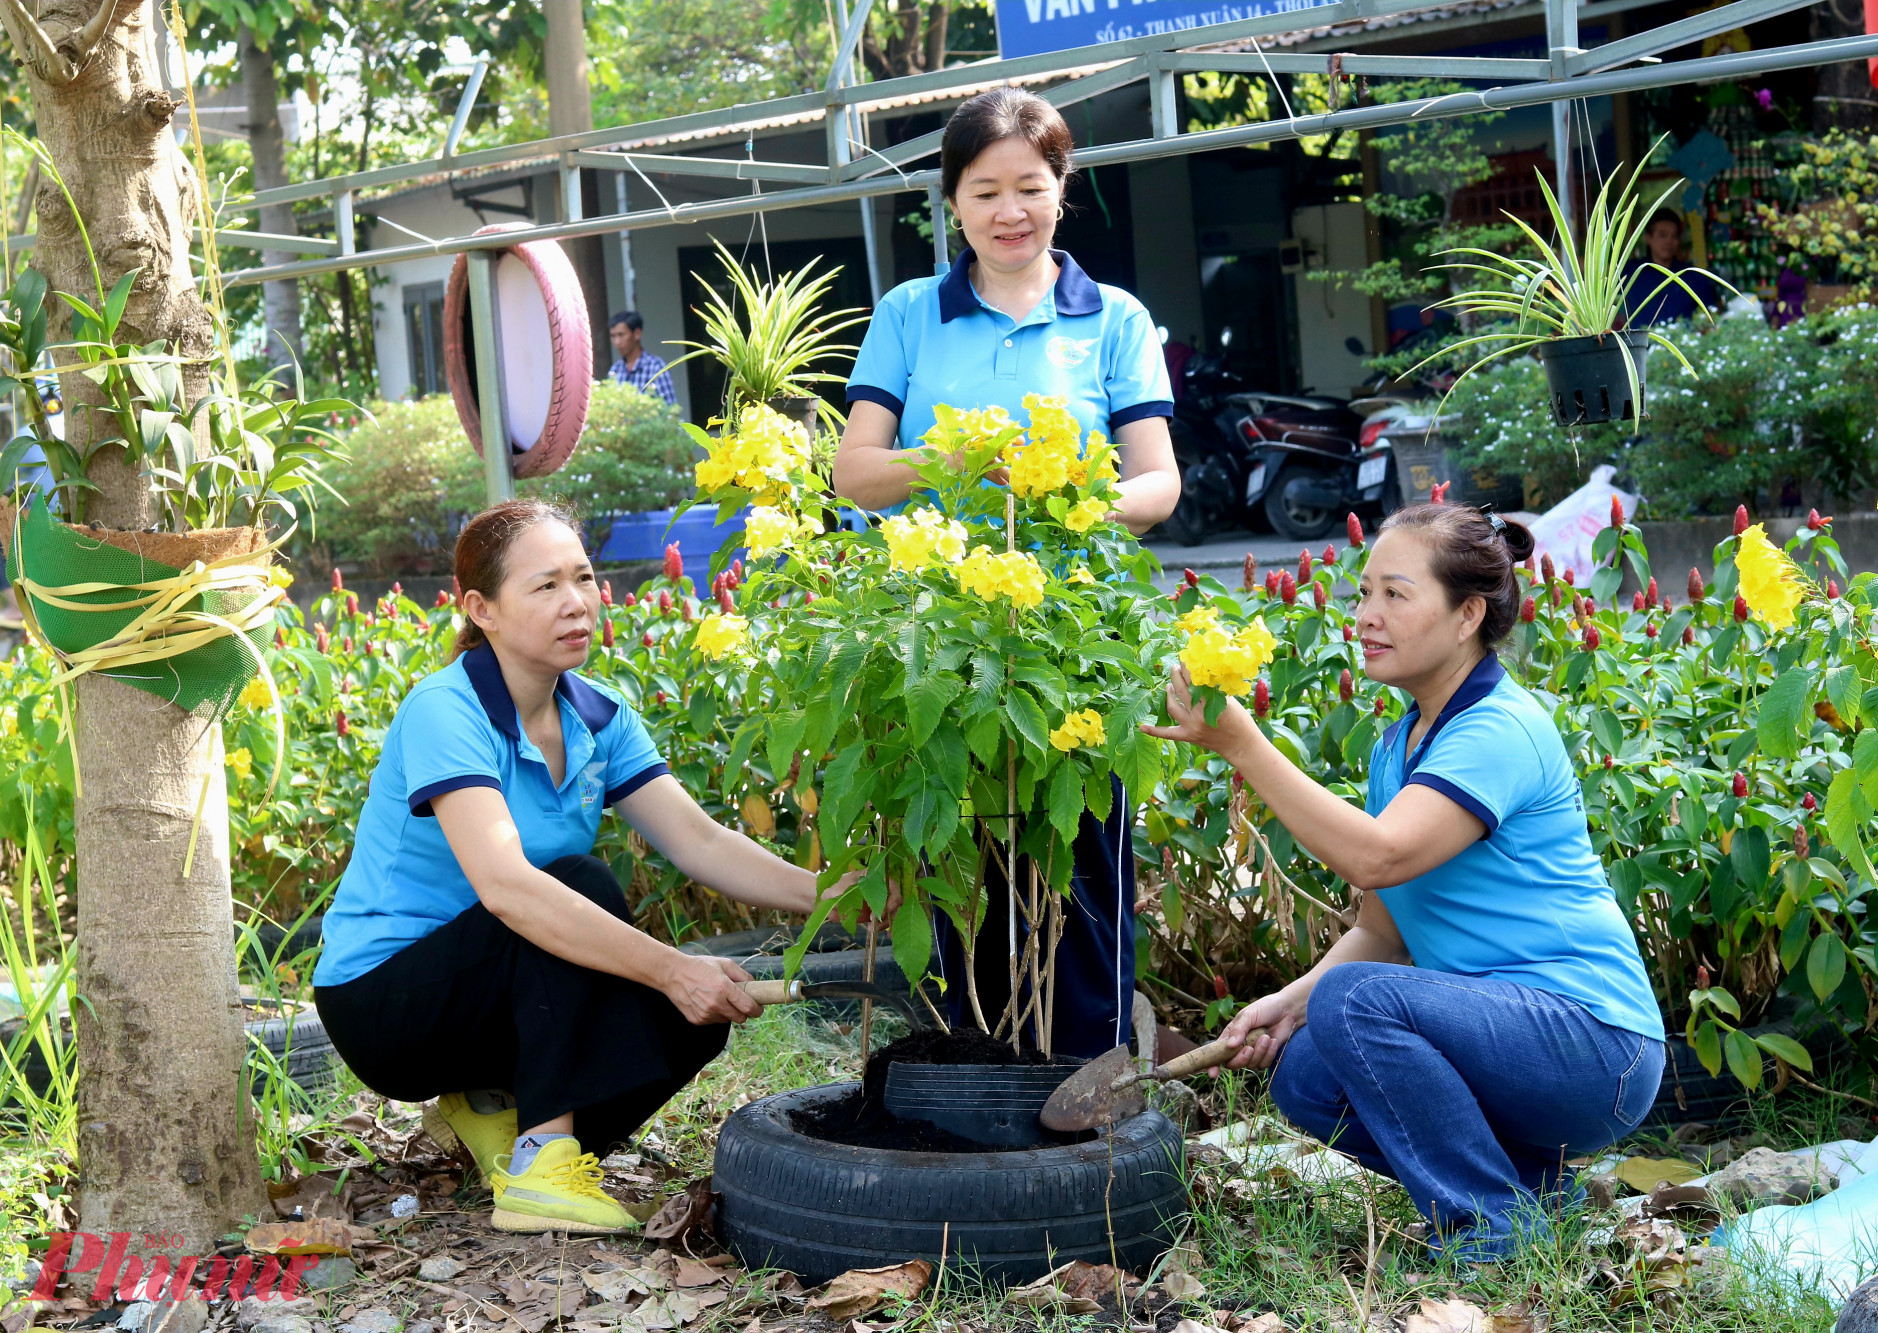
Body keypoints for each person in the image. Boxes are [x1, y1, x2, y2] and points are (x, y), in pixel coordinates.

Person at [314, 499, 866, 1235]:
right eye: (545, 587)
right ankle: (542, 1165)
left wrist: (836, 896)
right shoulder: (446, 710)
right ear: (483, 610)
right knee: (582, 887)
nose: (576, 602)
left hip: (491, 990)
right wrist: (671, 965)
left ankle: (502, 1118)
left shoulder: (598, 715)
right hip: (385, 1001)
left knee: (691, 1017)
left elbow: (698, 842)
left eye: (583, 577)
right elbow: (508, 888)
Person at [1143, 503, 1666, 1261]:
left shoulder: (1499, 729)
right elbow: (1382, 930)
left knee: (1350, 1002)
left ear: (1467, 615)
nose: (1366, 615)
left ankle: (1489, 1229)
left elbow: (1378, 858)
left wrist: (1243, 746)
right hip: (1511, 1038)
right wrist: (1285, 1005)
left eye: (1395, 594)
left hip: (1594, 1047)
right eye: (1362, 594)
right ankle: (1528, 1192)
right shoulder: (1400, 744)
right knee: (1306, 1070)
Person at [831, 86, 1180, 1060]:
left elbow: (1156, 483)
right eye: (984, 191)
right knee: (955, 855)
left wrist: (1067, 493)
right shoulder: (910, 313)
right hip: (938, 632)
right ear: (951, 203)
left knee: (1079, 861)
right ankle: (973, 1063)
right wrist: (957, 465)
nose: (1008, 211)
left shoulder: (1110, 319)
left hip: (1072, 630)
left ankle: (1090, 1067)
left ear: (1062, 190)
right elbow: (854, 471)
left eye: (1029, 187)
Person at [1622, 209, 1718, 327]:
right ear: (1648, 238)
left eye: (1674, 236)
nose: (1669, 241)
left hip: (1683, 342)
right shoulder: (1631, 272)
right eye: (1663, 235)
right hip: (1640, 344)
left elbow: (1711, 318)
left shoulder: (1693, 276)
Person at [606, 310, 676, 405]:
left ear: (637, 334)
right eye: (613, 336)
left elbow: (670, 408)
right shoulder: (615, 370)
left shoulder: (655, 367)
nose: (617, 342)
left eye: (621, 335)